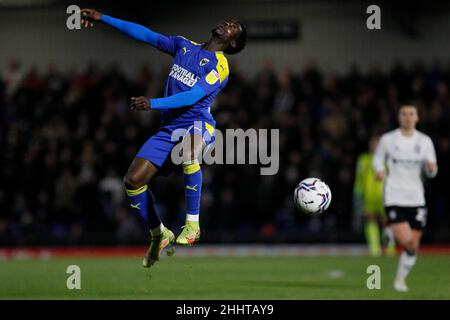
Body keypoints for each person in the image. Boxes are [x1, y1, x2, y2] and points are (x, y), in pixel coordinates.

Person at [80, 8, 247, 267]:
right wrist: (103, 18)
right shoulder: (184, 45)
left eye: (233, 27)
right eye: (229, 22)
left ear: (233, 43)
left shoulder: (220, 66)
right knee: (133, 181)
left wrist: (153, 103)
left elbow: (192, 97)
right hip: (169, 130)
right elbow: (145, 34)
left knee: (190, 152)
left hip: (198, 125)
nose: (228, 23)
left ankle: (193, 224)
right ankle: (159, 234)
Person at [373, 104, 438, 292]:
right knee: (406, 239)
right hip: (394, 194)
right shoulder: (388, 139)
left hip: (416, 197)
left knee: (413, 245)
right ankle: (392, 232)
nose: (408, 117)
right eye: (404, 114)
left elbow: (431, 167)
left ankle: (399, 280)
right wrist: (379, 170)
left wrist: (431, 169)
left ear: (417, 118)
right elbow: (378, 159)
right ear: (398, 117)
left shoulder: (425, 141)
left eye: (411, 114)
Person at [353, 135, 396, 257]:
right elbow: (359, 179)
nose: (374, 146)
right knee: (369, 219)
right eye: (372, 143)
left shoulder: (387, 159)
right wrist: (357, 195)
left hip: (385, 195)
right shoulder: (363, 159)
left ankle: (389, 249)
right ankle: (375, 250)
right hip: (368, 196)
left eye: (376, 144)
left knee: (387, 221)